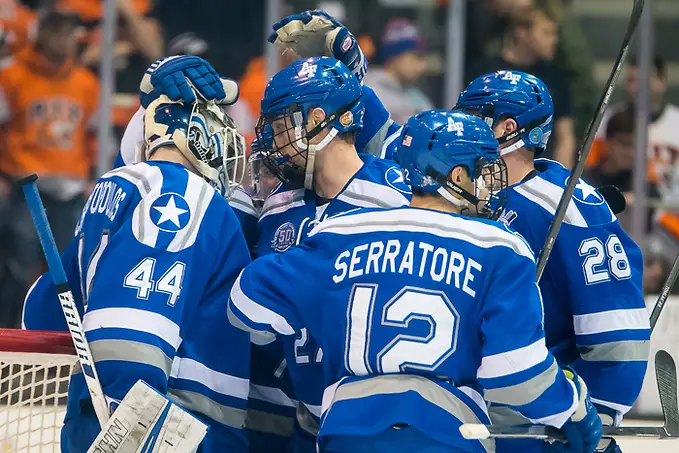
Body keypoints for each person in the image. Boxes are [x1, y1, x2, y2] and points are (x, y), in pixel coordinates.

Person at [228, 110, 603, 453]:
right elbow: (515, 376)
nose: (490, 185)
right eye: (483, 170)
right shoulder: (498, 245)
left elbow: (246, 303)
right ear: (457, 176)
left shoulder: (341, 232)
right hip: (444, 436)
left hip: (345, 433)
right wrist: (573, 406)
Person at [25, 94, 252, 453]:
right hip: (164, 428)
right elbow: (131, 347)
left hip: (93, 418)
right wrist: (133, 435)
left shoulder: (110, 191)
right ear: (195, 136)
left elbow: (40, 318)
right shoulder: (181, 192)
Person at [455, 70, 650, 453]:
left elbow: (617, 334)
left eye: (474, 117)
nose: (461, 128)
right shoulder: (466, 196)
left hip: (545, 420)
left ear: (508, 128)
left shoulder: (566, 208)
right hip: (484, 411)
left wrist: (595, 412)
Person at [247, 55, 412, 452]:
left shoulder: (393, 201)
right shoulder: (280, 206)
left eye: (281, 123)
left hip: (379, 420)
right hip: (302, 416)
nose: (271, 139)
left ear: (317, 119)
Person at [0, 9, 98, 328]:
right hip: (25, 185)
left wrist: (92, 177)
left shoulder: (86, 82)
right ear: (42, 34)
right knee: (17, 268)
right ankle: (9, 336)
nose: (65, 40)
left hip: (71, 189)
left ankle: (61, 335)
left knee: (71, 271)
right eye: (58, 31)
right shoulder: (10, 75)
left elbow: (94, 135)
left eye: (70, 33)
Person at [466, 4, 576, 168]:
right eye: (546, 33)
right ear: (521, 32)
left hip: (538, 172)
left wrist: (558, 179)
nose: (554, 40)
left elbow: (565, 136)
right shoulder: (485, 73)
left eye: (555, 34)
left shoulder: (555, 76)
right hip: (489, 171)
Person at [363, 18, 433, 125]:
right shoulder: (367, 92)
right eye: (416, 57)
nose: (422, 66)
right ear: (394, 56)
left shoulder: (418, 97)